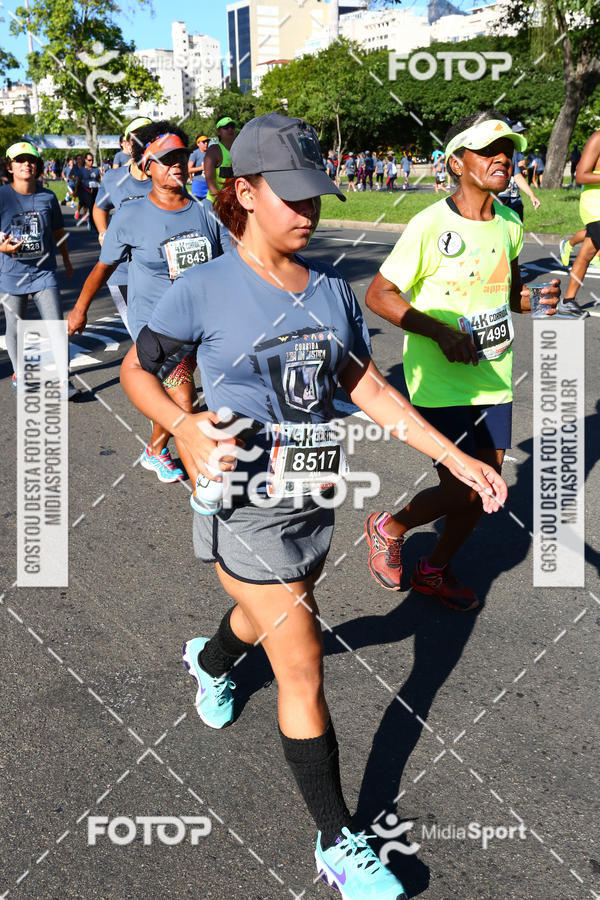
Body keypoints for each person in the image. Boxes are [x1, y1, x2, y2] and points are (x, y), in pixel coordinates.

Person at [120, 111, 507, 900]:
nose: (307, 211)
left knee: (277, 614)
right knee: (301, 667)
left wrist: (455, 456)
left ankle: (213, 659)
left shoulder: (331, 290)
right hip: (243, 497)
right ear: (245, 193)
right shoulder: (202, 288)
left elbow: (367, 388)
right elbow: (138, 371)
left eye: (316, 196)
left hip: (312, 491)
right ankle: (339, 842)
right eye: (288, 196)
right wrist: (184, 427)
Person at [363, 112, 561, 609]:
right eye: (489, 149)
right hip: (438, 383)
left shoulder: (511, 223)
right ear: (457, 162)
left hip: (493, 377)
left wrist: (534, 302)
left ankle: (433, 569)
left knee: (485, 488)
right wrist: (440, 332)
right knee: (465, 488)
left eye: (507, 150)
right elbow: (380, 294)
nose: (503, 158)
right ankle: (390, 525)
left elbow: (510, 295)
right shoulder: (430, 225)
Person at [68, 121, 230, 484]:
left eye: (181, 157)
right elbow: (103, 267)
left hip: (202, 322)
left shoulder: (205, 212)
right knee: (184, 402)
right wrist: (80, 309)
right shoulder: (131, 215)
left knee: (196, 398)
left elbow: (228, 264)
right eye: (165, 158)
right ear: (147, 166)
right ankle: (205, 492)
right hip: (157, 325)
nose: (175, 164)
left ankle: (156, 447)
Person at [0, 141, 76, 397]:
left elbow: (57, 231)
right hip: (11, 273)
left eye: (30, 160)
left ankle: (63, 380)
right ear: (10, 166)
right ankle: (19, 372)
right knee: (15, 325)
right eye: (19, 160)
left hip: (44, 272)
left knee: (55, 325)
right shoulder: (2, 196)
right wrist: (3, 249)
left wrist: (66, 260)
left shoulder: (47, 196)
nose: (26, 165)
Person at [91, 117, 154, 334]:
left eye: (150, 137)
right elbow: (99, 208)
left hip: (159, 272)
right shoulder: (113, 178)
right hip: (123, 271)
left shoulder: (166, 179)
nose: (143, 142)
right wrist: (102, 232)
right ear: (126, 145)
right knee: (142, 337)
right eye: (137, 138)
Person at [558, 129, 600, 316]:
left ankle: (568, 301)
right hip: (596, 205)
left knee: (587, 252)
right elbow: (581, 176)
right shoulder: (598, 138)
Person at [496, 120, 540, 222]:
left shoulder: (514, 152)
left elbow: (517, 176)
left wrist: (531, 195)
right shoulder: (492, 153)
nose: (522, 135)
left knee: (518, 227)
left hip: (515, 199)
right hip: (498, 199)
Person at [204, 116, 236, 202]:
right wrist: (221, 201)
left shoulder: (239, 149)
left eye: (232, 126)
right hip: (217, 203)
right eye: (225, 127)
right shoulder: (214, 150)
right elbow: (209, 180)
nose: (230, 129)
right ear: (218, 131)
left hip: (235, 202)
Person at [77, 152, 102, 231]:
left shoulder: (96, 169)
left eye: (92, 160)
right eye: (89, 160)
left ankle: (95, 221)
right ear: (85, 160)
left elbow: (101, 179)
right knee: (91, 207)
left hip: (95, 191)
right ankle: (92, 224)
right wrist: (76, 191)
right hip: (86, 191)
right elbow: (78, 182)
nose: (91, 162)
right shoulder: (81, 170)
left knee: (97, 208)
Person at [188, 134, 209, 200]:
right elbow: (189, 169)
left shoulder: (211, 153)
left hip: (209, 184)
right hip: (198, 185)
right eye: (203, 142)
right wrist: (202, 168)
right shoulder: (194, 153)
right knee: (198, 206)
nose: (206, 143)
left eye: (207, 142)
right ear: (198, 143)